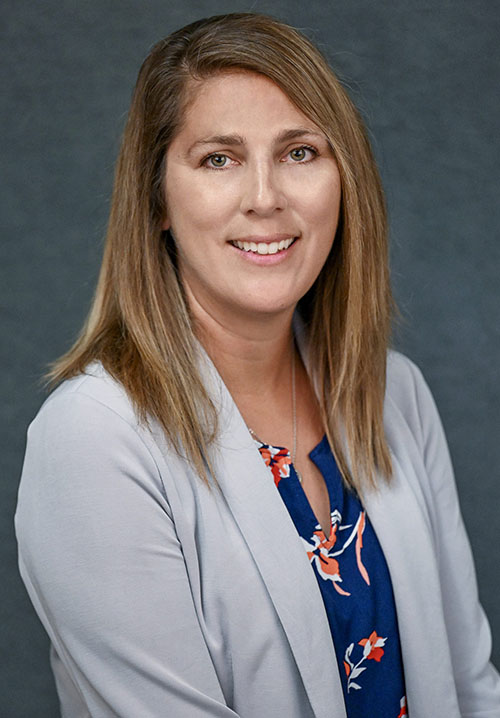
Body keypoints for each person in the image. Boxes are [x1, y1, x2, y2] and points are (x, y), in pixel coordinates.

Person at [14, 12, 500, 718]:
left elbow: (471, 685)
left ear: (344, 178)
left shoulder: (395, 393)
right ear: (157, 202)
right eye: (219, 159)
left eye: (300, 152)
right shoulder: (94, 439)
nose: (266, 196)